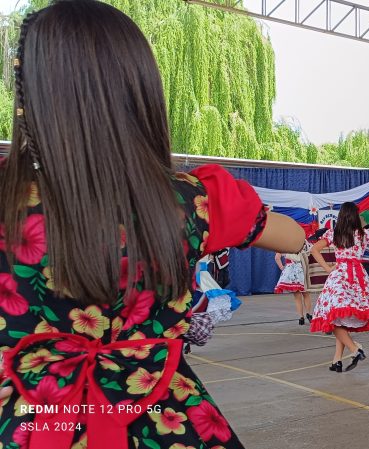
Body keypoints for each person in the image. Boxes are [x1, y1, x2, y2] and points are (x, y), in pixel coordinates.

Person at [0, 2, 306, 446]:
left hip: (35, 421)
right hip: (166, 419)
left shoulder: (9, 199)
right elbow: (293, 237)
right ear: (140, 90)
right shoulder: (194, 199)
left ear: (29, 95)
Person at [310, 203, 369, 372]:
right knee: (339, 317)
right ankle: (337, 360)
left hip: (340, 275)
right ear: (355, 216)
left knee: (333, 317)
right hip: (357, 277)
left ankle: (355, 349)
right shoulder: (364, 234)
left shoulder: (334, 233)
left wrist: (328, 268)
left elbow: (314, 250)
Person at [274, 245, 312, 325]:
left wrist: (282, 267)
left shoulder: (283, 244)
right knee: (306, 294)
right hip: (301, 268)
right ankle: (309, 314)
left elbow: (277, 258)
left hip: (290, 269)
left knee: (297, 297)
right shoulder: (300, 241)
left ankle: (301, 318)